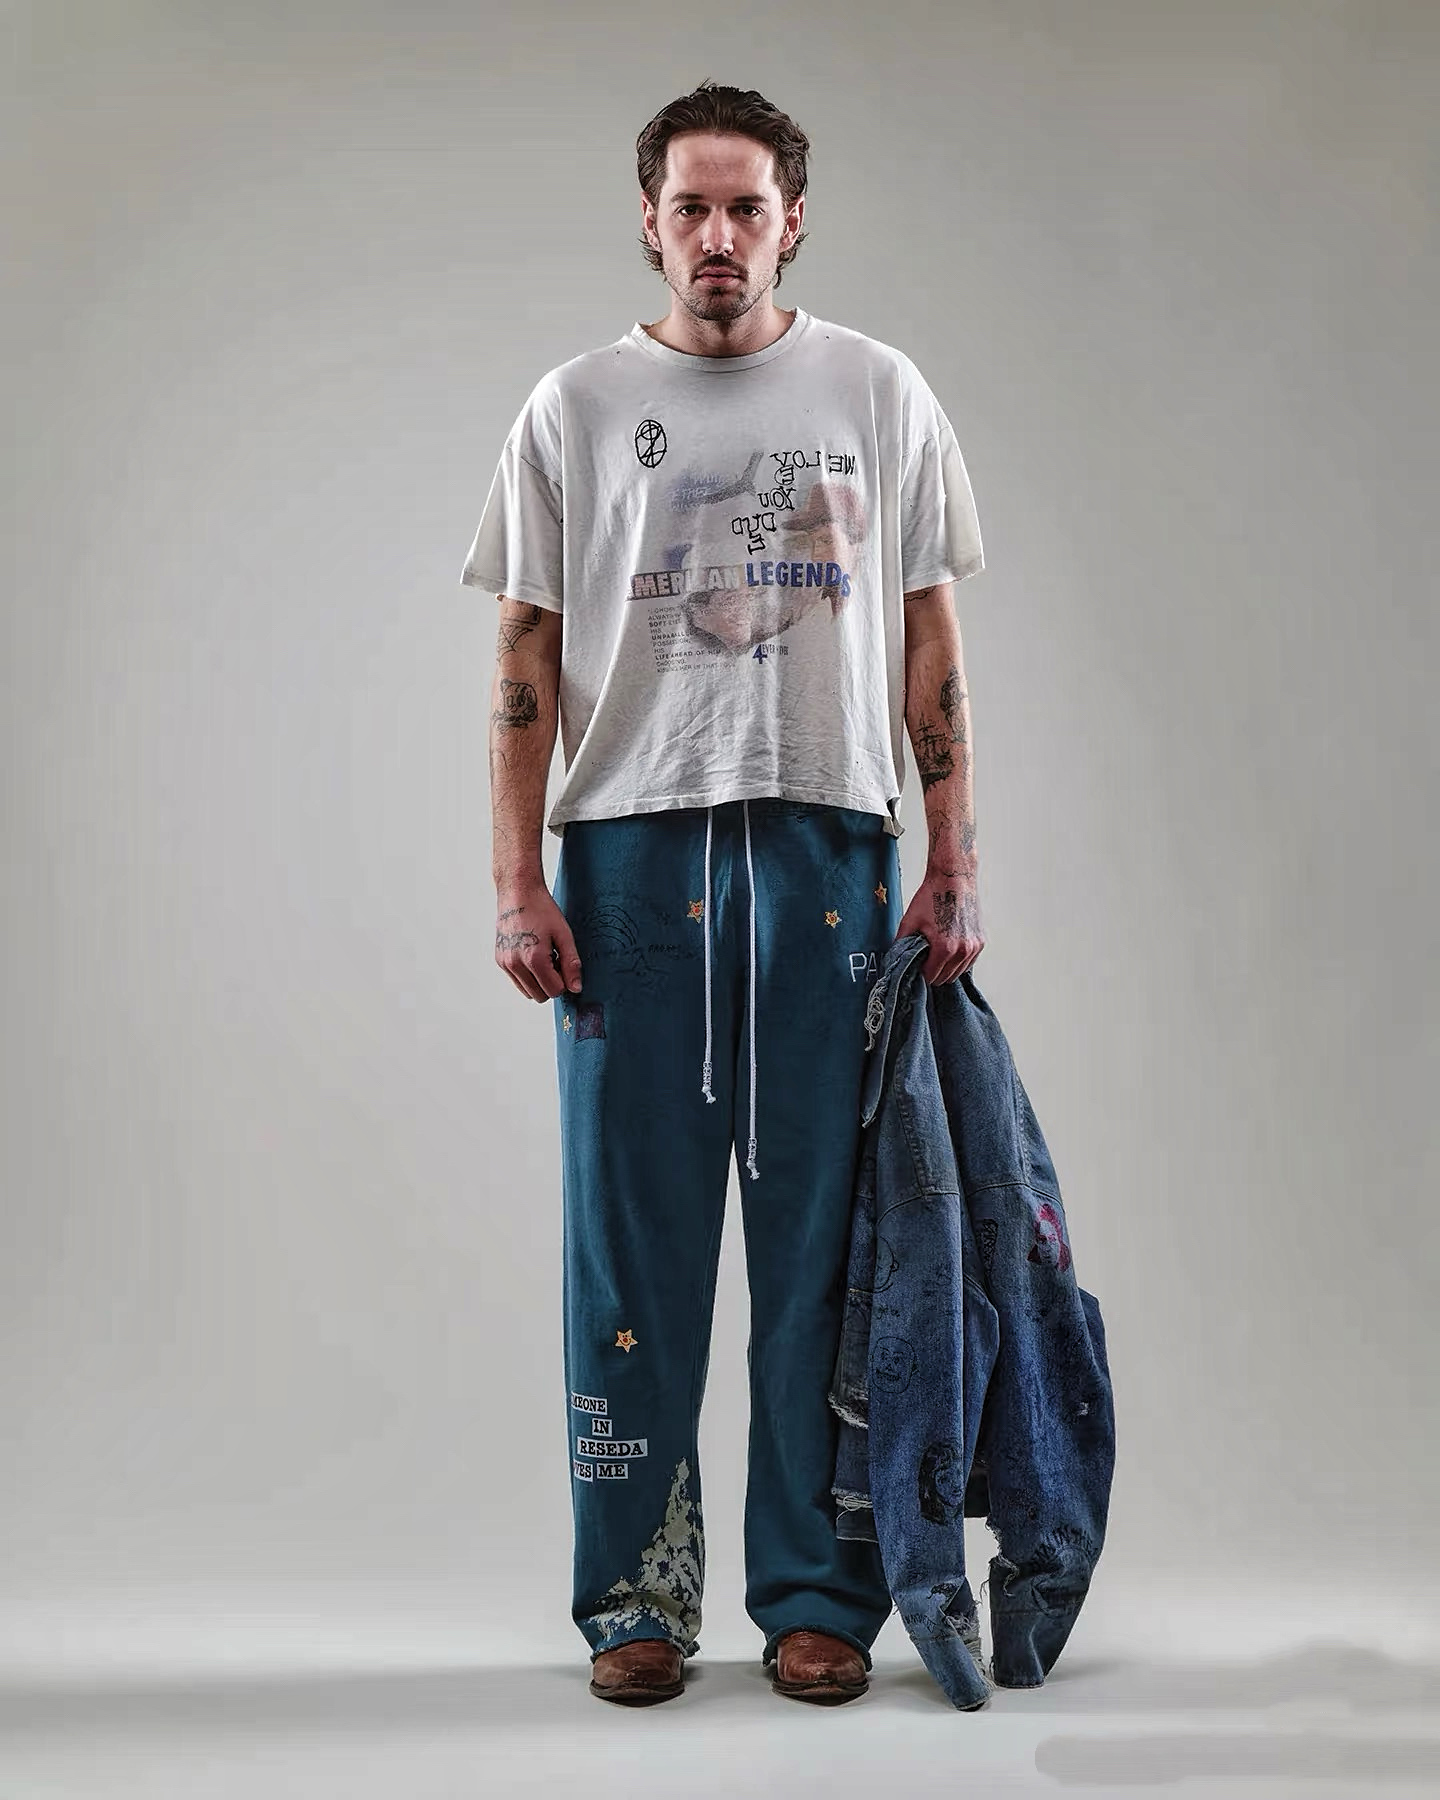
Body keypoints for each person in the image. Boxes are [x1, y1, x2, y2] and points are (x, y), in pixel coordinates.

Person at [459, 80, 987, 1707]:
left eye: (745, 206)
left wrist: (955, 856)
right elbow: (525, 651)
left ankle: (818, 1597)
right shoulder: (574, 407)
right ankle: (634, 1600)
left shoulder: (877, 390)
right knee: (631, 1250)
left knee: (826, 1240)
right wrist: (515, 878)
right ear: (648, 218)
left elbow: (929, 635)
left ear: (792, 219)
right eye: (689, 206)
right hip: (629, 858)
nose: (716, 234)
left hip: (828, 853)